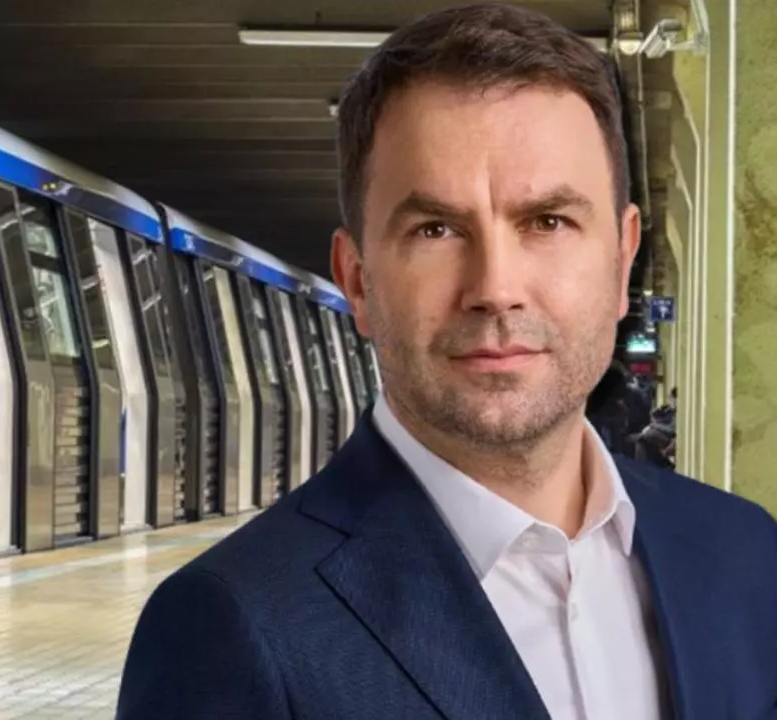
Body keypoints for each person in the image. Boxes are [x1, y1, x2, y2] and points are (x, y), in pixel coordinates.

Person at [116, 5, 777, 719]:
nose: (495, 287)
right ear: (358, 280)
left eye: (548, 222)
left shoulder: (743, 552)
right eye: (435, 229)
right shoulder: (232, 626)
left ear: (622, 261)